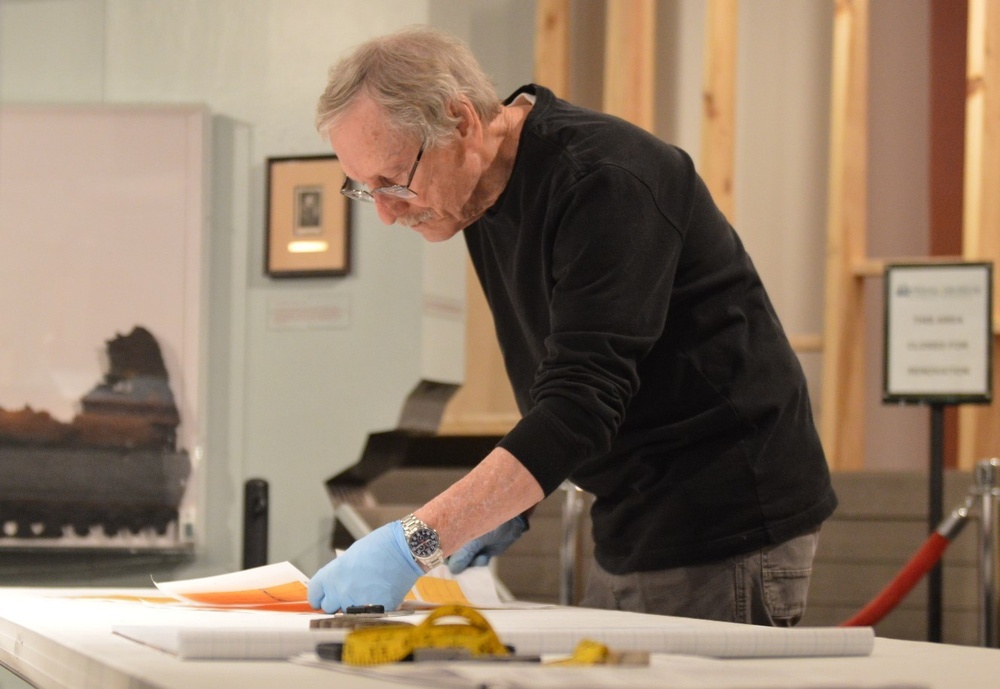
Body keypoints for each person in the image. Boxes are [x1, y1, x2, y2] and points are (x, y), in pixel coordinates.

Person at [307, 25, 837, 626]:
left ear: (461, 123)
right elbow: (561, 378)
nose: (384, 211)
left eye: (394, 180)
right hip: (632, 512)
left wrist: (418, 542)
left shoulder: (605, 180)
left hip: (722, 513)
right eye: (362, 187)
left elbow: (582, 402)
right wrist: (498, 502)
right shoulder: (475, 193)